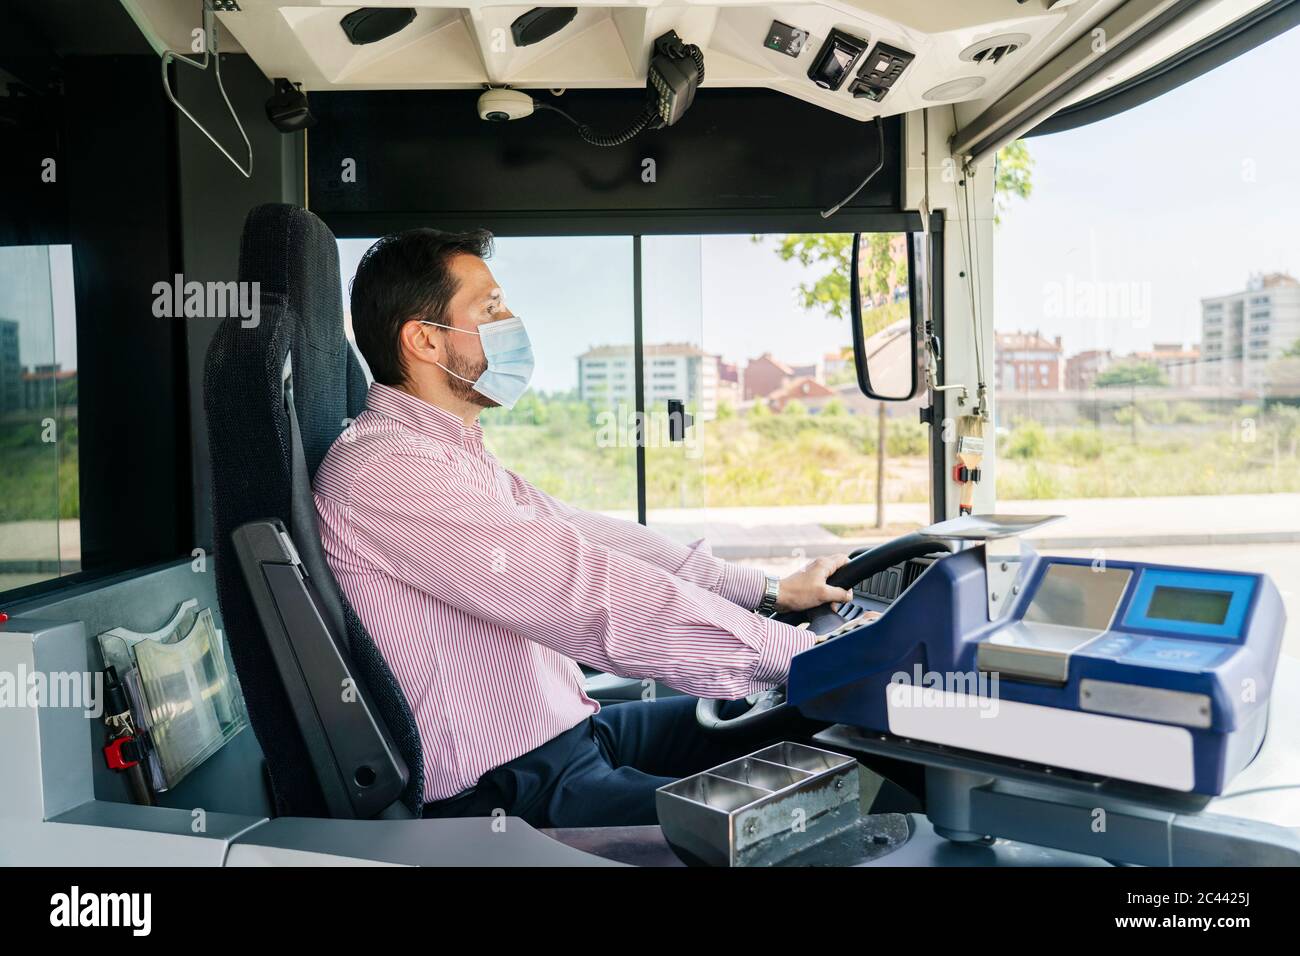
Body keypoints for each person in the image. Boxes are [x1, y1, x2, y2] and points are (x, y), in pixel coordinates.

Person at [314, 228, 858, 828]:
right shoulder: (387, 470)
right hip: (512, 789)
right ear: (425, 341)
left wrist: (767, 592)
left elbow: (593, 538)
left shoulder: (447, 451)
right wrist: (809, 656)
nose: (513, 320)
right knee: (791, 821)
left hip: (568, 736)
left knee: (787, 726)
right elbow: (587, 595)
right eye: (491, 308)